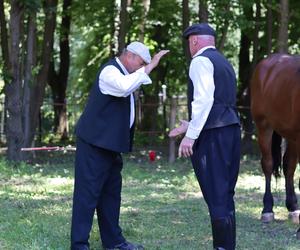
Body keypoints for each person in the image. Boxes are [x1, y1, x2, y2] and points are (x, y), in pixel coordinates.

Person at [71, 41, 169, 250]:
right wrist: (150, 67)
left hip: (110, 146)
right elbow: (125, 88)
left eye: (145, 64)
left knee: (111, 196)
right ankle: (79, 245)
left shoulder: (125, 73)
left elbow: (130, 86)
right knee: (87, 196)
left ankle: (114, 242)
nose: (142, 68)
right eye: (141, 63)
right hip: (94, 145)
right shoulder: (110, 71)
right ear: (130, 56)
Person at [169, 23, 240, 250]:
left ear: (194, 41)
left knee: (217, 194)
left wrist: (190, 136)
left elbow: (204, 100)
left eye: (189, 42)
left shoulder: (200, 61)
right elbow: (220, 104)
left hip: (213, 137)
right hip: (231, 131)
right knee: (226, 194)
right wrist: (190, 125)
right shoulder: (224, 63)